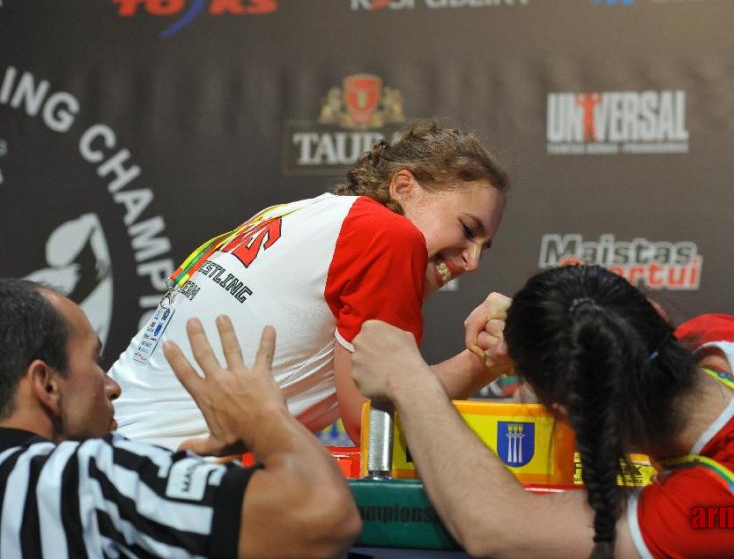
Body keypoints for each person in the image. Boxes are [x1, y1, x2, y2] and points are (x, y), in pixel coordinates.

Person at [351, 265, 734, 558]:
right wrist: (538, 325)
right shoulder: (724, 340)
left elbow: (497, 529)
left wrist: (410, 381)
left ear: (567, 410)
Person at [107, 121, 510, 448]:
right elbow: (374, 428)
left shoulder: (303, 213)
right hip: (154, 473)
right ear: (403, 187)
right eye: (467, 229)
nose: (472, 262)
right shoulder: (389, 236)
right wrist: (488, 361)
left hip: (105, 447)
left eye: (484, 249)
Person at [0, 278, 360, 558]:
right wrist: (265, 416)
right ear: (46, 384)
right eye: (94, 362)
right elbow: (321, 518)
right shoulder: (88, 475)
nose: (112, 386)